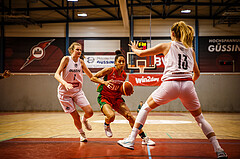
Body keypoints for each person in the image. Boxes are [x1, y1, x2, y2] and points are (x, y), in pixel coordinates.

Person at [117, 21, 228, 159]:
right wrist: (188, 84)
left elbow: (141, 54)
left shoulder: (167, 46)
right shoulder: (191, 51)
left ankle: (131, 139)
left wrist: (134, 48)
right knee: (200, 118)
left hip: (170, 84)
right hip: (188, 85)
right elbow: (197, 73)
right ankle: (219, 149)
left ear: (173, 34)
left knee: (145, 108)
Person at [90, 50, 155, 146]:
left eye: (123, 62)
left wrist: (125, 91)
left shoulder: (124, 75)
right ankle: (106, 124)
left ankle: (144, 137)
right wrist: (104, 82)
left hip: (117, 99)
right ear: (115, 63)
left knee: (130, 116)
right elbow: (92, 77)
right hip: (105, 97)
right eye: (119, 61)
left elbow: (120, 89)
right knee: (111, 116)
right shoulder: (109, 70)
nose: (121, 63)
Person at [55, 42, 93, 142]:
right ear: (72, 50)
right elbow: (56, 74)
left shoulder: (81, 62)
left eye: (80, 50)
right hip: (65, 93)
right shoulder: (66, 59)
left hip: (77, 91)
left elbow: (91, 76)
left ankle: (84, 120)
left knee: (90, 112)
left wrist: (103, 81)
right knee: (75, 116)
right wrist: (65, 84)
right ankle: (82, 134)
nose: (79, 51)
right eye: (77, 49)